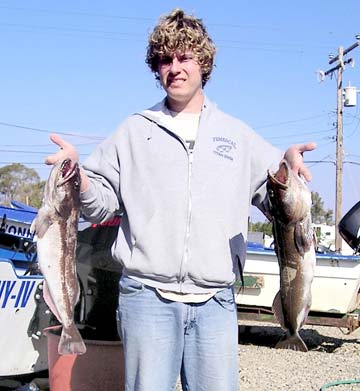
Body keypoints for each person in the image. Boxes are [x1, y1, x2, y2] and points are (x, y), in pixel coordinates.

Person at [45, 8, 316, 391]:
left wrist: (287, 172)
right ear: (156, 68)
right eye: (164, 59)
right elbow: (101, 203)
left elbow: (280, 208)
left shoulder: (238, 136)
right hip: (147, 298)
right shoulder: (133, 131)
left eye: (184, 56)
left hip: (215, 302)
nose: (175, 67)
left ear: (203, 63)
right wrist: (78, 178)